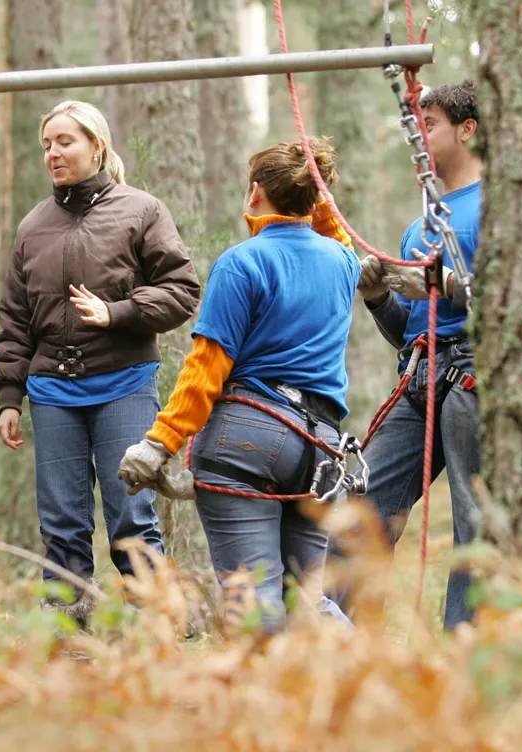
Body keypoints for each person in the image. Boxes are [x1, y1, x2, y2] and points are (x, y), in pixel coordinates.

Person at [118, 139, 358, 634]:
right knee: (308, 602)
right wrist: (315, 196)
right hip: (321, 450)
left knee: (255, 601)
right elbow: (338, 236)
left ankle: (262, 706)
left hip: (248, 435)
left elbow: (207, 367)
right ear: (315, 200)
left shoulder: (242, 262)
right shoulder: (341, 263)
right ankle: (374, 689)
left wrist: (159, 443)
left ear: (254, 193)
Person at [0, 100, 200, 623]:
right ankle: (68, 637)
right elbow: (16, 319)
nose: (53, 153)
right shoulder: (32, 226)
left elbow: (181, 291)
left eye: (65, 141)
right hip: (52, 394)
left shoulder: (141, 210)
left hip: (123, 383)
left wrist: (118, 312)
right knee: (61, 523)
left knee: (131, 515)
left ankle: (158, 626)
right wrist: (9, 397)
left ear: (97, 146)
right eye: (47, 145)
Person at [340, 81, 484, 630]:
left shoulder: (495, 207)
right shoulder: (416, 227)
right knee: (364, 510)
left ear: (467, 129)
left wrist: (442, 281)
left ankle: (465, 658)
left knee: (474, 525)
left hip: (474, 373)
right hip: (423, 374)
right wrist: (379, 296)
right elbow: (410, 332)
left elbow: (512, 301)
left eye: (431, 125)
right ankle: (349, 648)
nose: (419, 138)